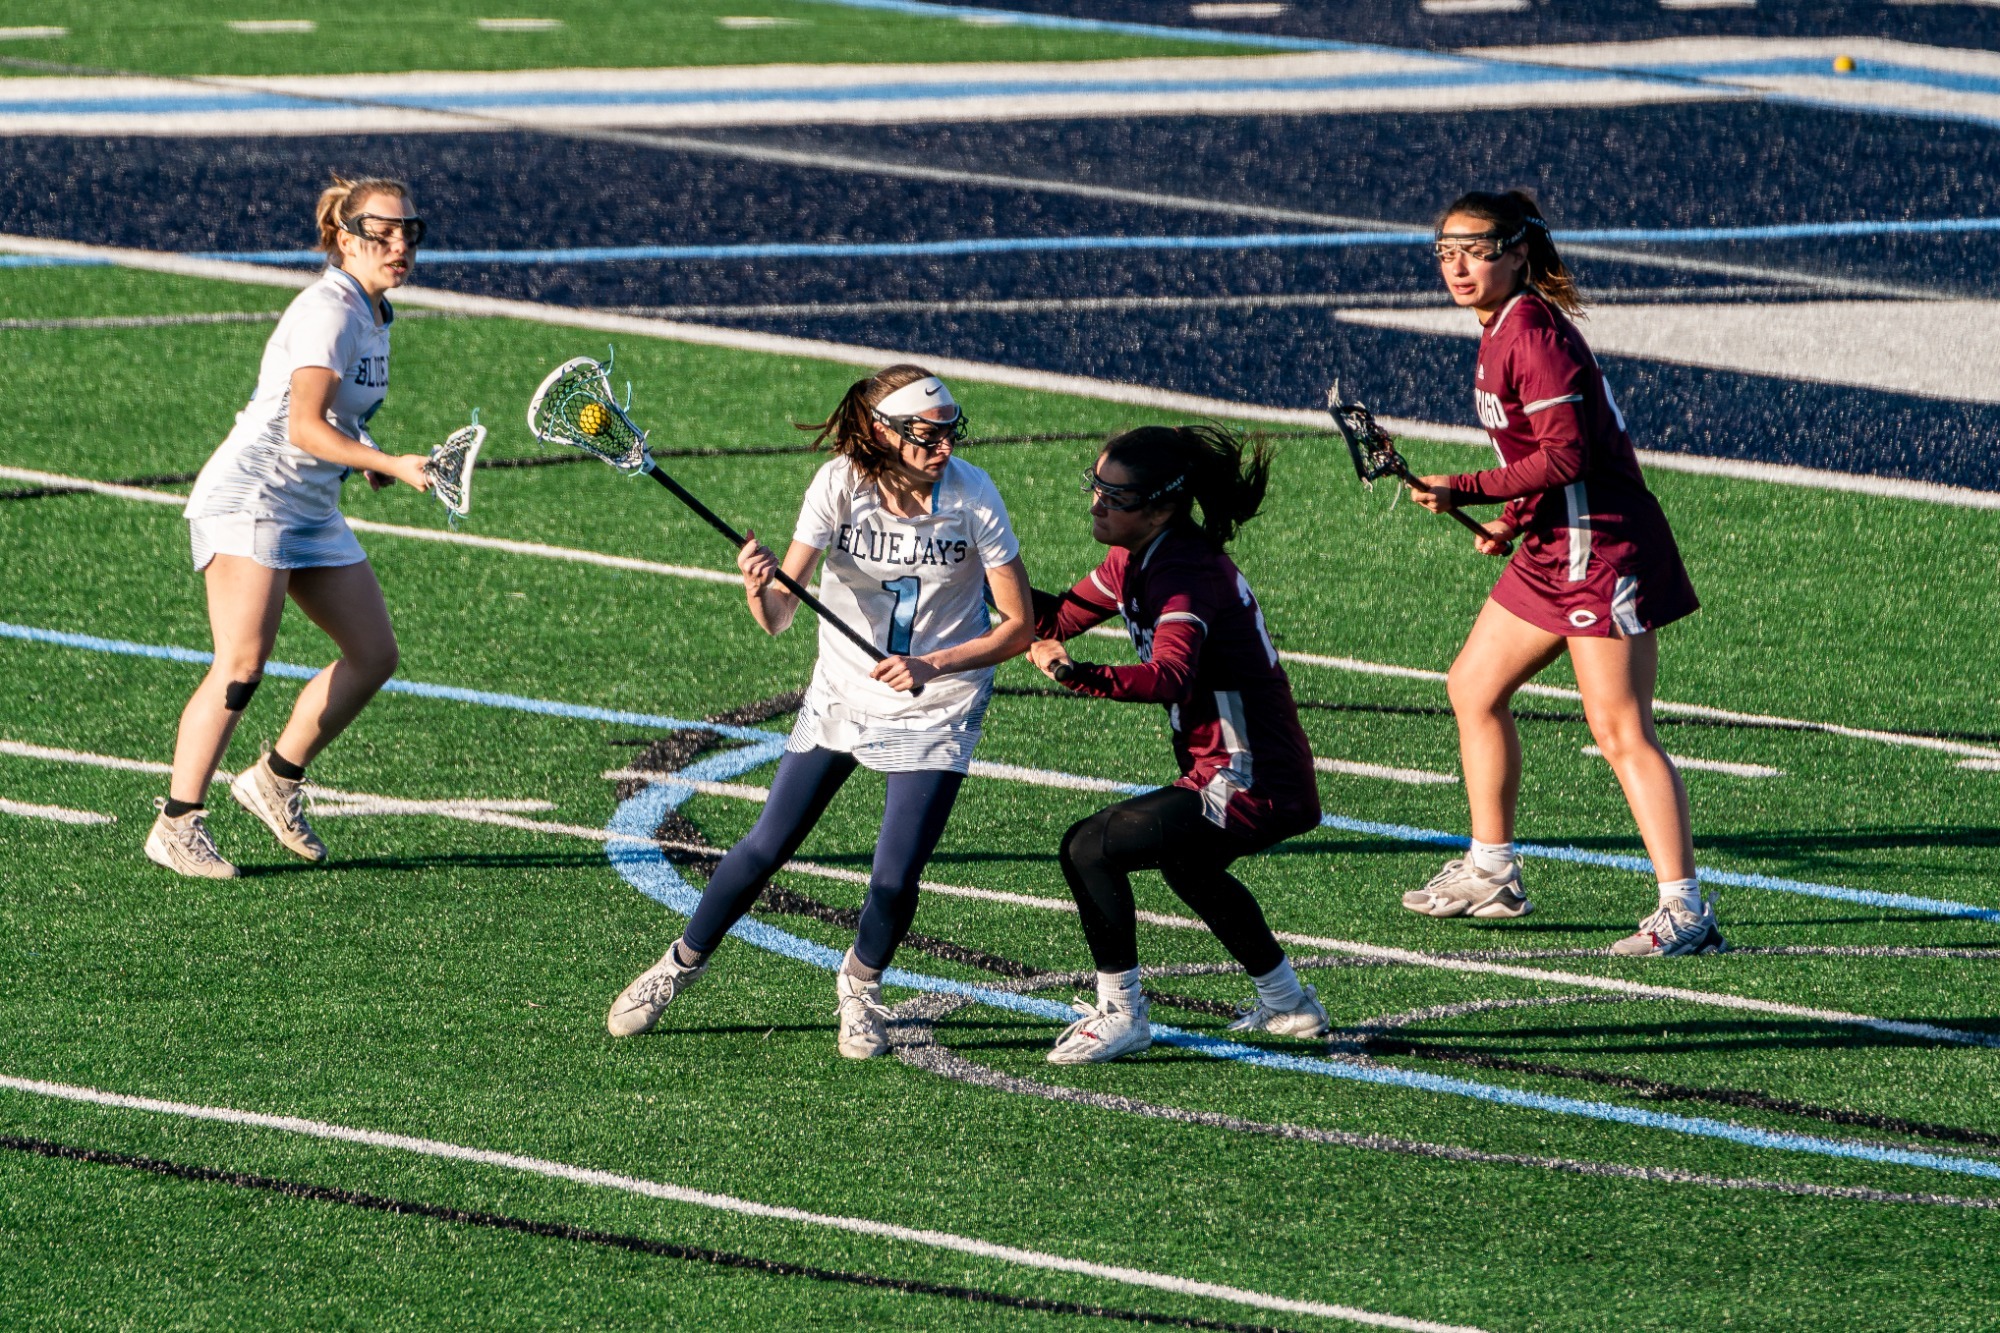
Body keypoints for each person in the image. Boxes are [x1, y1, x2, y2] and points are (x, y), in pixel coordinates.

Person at [608, 366, 1035, 1057]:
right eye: (928, 433)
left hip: (937, 702)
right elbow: (779, 614)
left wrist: (934, 663)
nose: (945, 445)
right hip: (841, 690)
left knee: (895, 877)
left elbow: (1018, 625)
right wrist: (757, 585)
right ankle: (677, 965)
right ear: (883, 432)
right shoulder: (839, 485)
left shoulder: (973, 495)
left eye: (949, 429)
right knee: (765, 844)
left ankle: (860, 989)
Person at [1404, 188, 1714, 957]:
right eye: (1447, 251)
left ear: (1516, 251)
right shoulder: (1500, 326)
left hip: (1597, 546)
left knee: (1618, 727)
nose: (1459, 265)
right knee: (1472, 687)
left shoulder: (1532, 333)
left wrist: (1466, 489)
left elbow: (1569, 455)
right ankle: (1492, 869)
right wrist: (1511, 518)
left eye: (1475, 249)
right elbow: (1542, 455)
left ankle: (1686, 911)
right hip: (1552, 539)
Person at [145, 174, 433, 879]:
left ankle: (274, 779)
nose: (399, 245)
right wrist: (387, 462)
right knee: (241, 664)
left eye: (408, 232)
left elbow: (336, 414)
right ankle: (177, 822)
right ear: (343, 237)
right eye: (382, 232)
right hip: (252, 499)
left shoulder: (376, 312)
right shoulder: (329, 311)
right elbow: (303, 426)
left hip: (307, 507)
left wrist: (361, 452)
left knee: (374, 654)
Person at [1027, 424, 1326, 1065]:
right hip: (1237, 766)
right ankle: (1289, 1003)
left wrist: (1072, 674)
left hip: (1251, 775)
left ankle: (1122, 1013)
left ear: (1162, 506)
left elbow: (1170, 676)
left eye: (1116, 497)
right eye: (1096, 489)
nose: (1097, 506)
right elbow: (1052, 619)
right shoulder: (1134, 557)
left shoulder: (1184, 573)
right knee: (1188, 864)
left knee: (1088, 847)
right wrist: (974, 566)